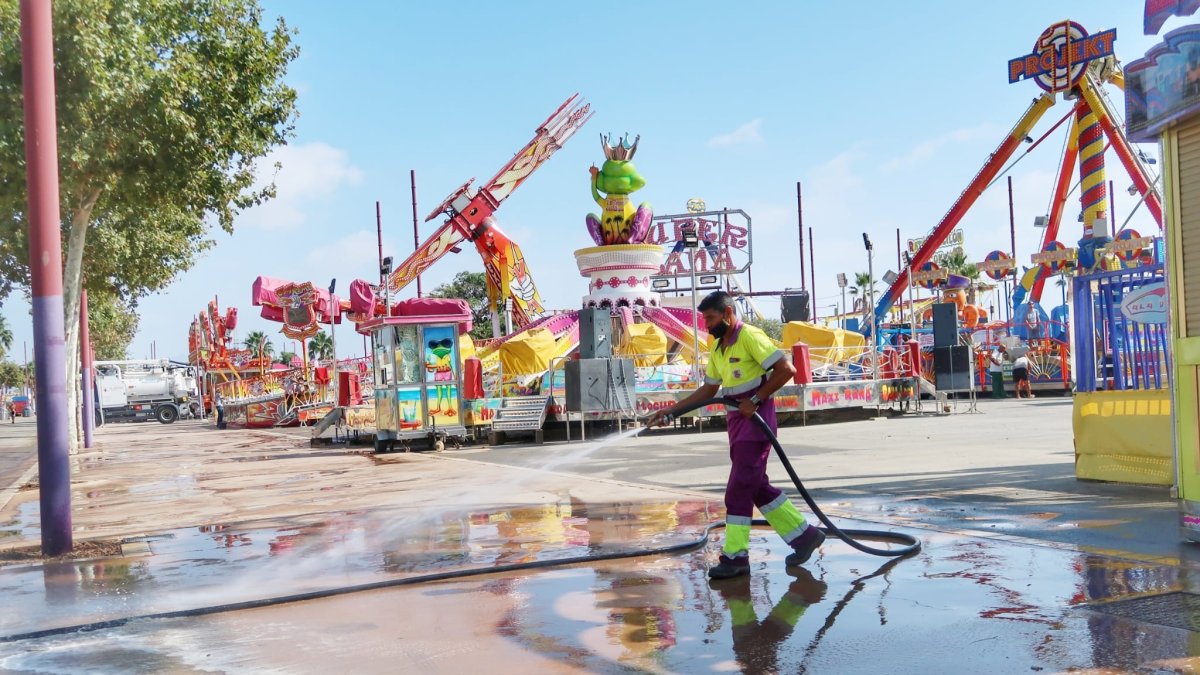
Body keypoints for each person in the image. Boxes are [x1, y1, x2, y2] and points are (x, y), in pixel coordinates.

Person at [647, 291, 824, 579]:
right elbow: (708, 391)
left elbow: (786, 369)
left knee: (738, 490)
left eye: (711, 318)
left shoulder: (750, 337)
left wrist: (754, 400)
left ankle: (736, 557)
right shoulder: (719, 348)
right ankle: (804, 537)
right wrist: (671, 412)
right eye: (704, 318)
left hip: (755, 423)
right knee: (756, 486)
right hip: (737, 424)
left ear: (728, 313)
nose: (707, 324)